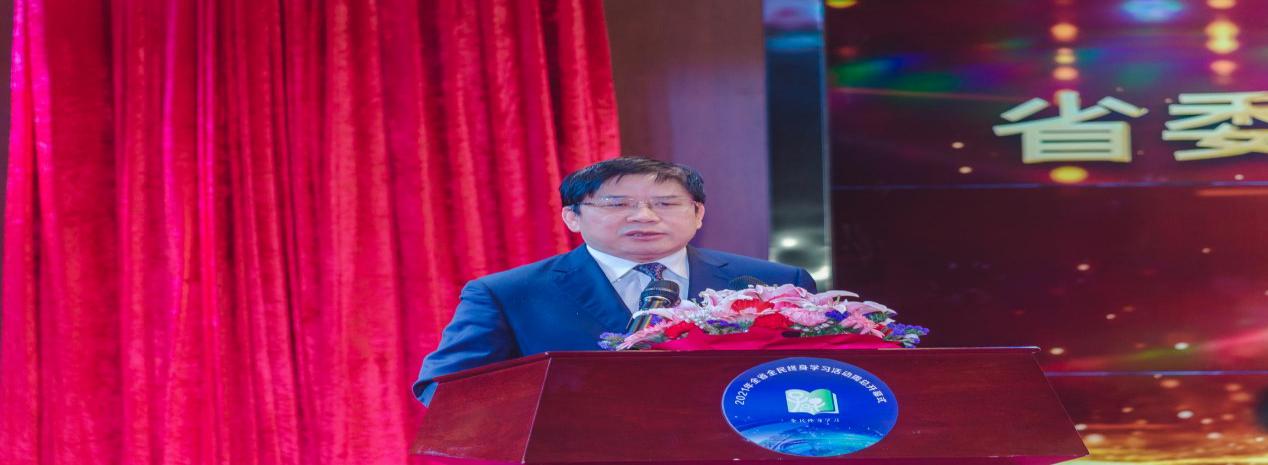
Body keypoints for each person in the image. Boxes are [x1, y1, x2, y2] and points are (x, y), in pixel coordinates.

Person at [413, 157, 816, 405]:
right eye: (617, 204)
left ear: (698, 214)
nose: (644, 216)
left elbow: (813, 371)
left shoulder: (773, 282)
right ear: (572, 217)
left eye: (666, 204)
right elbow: (444, 388)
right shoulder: (508, 294)